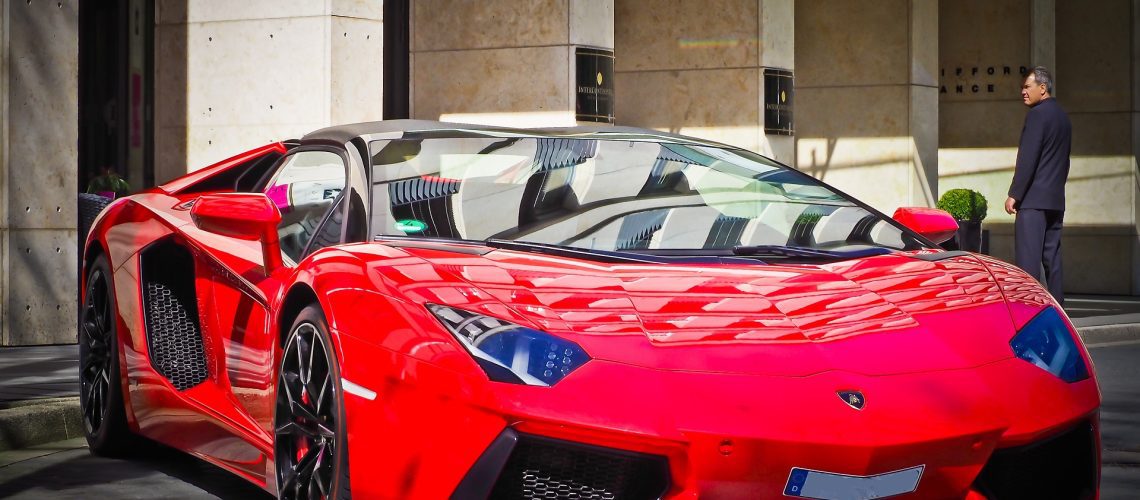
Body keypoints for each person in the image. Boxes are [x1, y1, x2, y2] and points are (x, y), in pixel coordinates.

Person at [1005, 66, 1071, 305]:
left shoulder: (1037, 115)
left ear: (1042, 88)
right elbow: (1065, 162)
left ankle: (1030, 311)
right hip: (1055, 200)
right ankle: (1059, 310)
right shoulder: (1063, 117)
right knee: (1052, 259)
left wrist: (1015, 194)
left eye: (1027, 87)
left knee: (1028, 262)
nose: (1023, 91)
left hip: (1033, 201)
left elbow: (1028, 158)